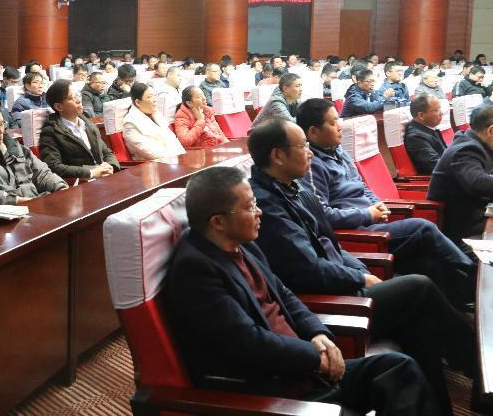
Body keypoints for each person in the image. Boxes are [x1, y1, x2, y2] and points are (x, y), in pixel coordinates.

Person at [247, 119, 477, 415]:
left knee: (421, 296)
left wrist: (361, 272)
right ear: (278, 155)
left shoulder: (296, 189)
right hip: (328, 300)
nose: (310, 152)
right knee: (418, 286)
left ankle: (443, 404)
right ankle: (476, 363)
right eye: (303, 146)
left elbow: (332, 244)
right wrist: (358, 278)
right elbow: (309, 270)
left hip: (343, 282)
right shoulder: (266, 205)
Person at [167, 166, 438, 414]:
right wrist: (314, 357)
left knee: (398, 369)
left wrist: (317, 333)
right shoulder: (195, 270)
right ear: (217, 222)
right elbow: (248, 342)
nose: (260, 212)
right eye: (250, 207)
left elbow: (284, 294)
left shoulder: (241, 242)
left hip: (305, 369)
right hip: (275, 391)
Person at [297, 98, 475, 308]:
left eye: (339, 120)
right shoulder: (311, 165)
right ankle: (474, 273)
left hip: (372, 222)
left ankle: (455, 304)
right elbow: (322, 215)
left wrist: (378, 204)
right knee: (423, 227)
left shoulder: (339, 152)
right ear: (313, 132)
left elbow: (362, 187)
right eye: (333, 122)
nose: (340, 126)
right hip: (357, 233)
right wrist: (367, 214)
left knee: (428, 263)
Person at [428, 103, 493, 244]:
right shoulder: (466, 149)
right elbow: (479, 183)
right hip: (464, 232)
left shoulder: (477, 143)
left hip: (478, 217)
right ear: (491, 131)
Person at [38, 80, 119, 180]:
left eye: (78, 95)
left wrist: (111, 166)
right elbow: (53, 166)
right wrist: (91, 172)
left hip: (104, 177)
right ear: (59, 106)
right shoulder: (50, 132)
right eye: (73, 97)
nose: (79, 100)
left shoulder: (87, 124)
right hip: (79, 183)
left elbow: (106, 152)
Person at [122, 83, 185, 161]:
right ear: (138, 102)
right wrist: (175, 157)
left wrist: (182, 155)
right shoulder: (130, 123)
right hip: (153, 164)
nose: (155, 100)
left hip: (173, 159)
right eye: (150, 97)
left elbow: (173, 140)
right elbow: (150, 152)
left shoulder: (156, 114)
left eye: (155, 96)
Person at [405, 94, 448, 174]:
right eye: (436, 110)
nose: (441, 113)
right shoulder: (415, 138)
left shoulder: (428, 129)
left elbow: (446, 153)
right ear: (421, 115)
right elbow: (436, 165)